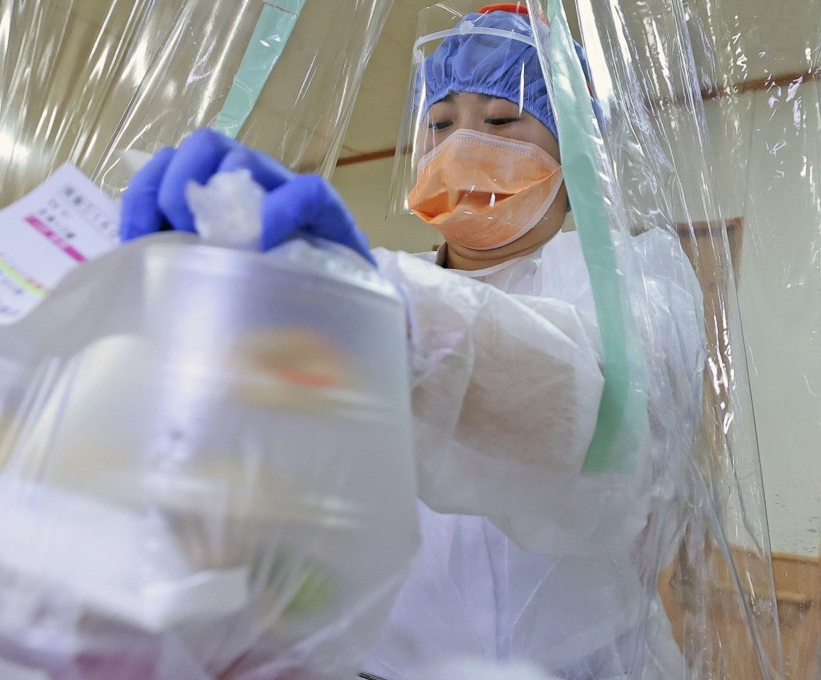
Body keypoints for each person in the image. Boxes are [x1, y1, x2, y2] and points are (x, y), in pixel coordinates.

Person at [120, 6, 705, 679]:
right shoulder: (385, 277)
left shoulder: (626, 280)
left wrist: (381, 316)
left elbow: (593, 421)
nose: (462, 145)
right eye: (440, 121)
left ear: (576, 144)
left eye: (503, 119)